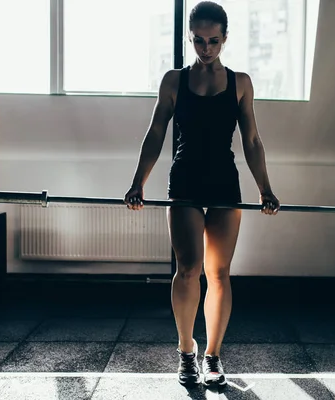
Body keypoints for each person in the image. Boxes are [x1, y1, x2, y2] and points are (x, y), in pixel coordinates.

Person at [124, 0, 280, 388]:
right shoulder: (174, 81)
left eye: (213, 40)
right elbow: (156, 134)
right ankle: (186, 352)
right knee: (189, 268)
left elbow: (253, 140)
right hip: (186, 180)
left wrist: (266, 190)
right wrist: (137, 182)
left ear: (225, 38)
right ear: (190, 38)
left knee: (219, 272)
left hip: (224, 181)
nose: (205, 47)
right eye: (198, 40)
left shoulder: (240, 82)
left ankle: (212, 356)